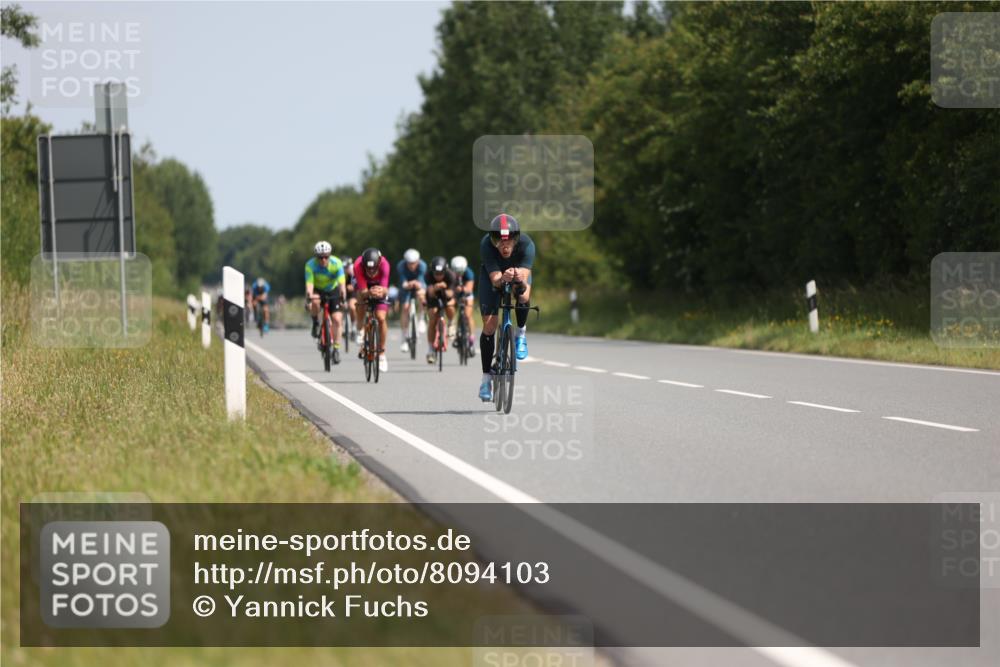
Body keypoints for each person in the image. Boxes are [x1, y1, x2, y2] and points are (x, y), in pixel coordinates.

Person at [477, 213, 535, 401]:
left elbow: (524, 282)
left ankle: (521, 333)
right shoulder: (486, 244)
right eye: (499, 241)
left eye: (509, 240)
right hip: (492, 277)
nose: (505, 245)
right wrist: (503, 278)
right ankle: (486, 378)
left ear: (516, 238)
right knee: (490, 326)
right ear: (493, 240)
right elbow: (495, 280)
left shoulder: (527, 245)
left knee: (524, 294)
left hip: (519, 275)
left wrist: (517, 277)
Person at [304, 241, 346, 364]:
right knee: (315, 302)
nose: (323, 260)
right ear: (316, 257)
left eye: (326, 257)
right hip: (318, 290)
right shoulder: (310, 265)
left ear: (330, 256)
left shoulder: (337, 263)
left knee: (337, 320)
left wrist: (343, 294)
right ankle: (316, 322)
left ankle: (336, 349)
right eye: (320, 257)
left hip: (332, 290)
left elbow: (341, 283)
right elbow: (310, 285)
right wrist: (309, 297)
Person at [354, 247, 390, 373]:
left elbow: (385, 288)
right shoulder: (358, 265)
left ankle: (381, 353)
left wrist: (381, 291)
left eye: (373, 269)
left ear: (378, 264)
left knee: (381, 318)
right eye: (368, 269)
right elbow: (363, 291)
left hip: (379, 287)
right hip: (364, 287)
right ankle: (360, 328)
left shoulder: (385, 265)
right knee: (360, 299)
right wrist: (368, 292)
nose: (370, 272)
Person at [424, 256, 458, 363]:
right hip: (432, 297)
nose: (438, 276)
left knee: (450, 306)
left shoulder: (450, 275)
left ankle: (451, 323)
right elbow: (430, 292)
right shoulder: (428, 275)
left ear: (445, 271)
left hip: (446, 295)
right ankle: (430, 349)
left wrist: (444, 288)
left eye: (441, 274)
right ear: (432, 271)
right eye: (436, 274)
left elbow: (451, 294)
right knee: (432, 318)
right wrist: (436, 287)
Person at [396, 248, 427, 353]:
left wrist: (418, 284)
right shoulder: (401, 266)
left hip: (418, 284)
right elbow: (402, 281)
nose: (411, 266)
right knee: (405, 308)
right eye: (409, 263)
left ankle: (422, 318)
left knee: (421, 295)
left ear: (418, 261)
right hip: (406, 287)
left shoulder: (423, 266)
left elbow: (422, 280)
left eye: (414, 263)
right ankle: (404, 338)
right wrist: (407, 284)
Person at [450, 255, 476, 357]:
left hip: (466, 294)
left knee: (467, 315)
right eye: (456, 271)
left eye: (461, 271)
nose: (458, 273)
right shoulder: (450, 273)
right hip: (455, 294)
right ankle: (453, 328)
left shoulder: (469, 273)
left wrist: (463, 290)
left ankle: (471, 338)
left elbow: (469, 288)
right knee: (451, 307)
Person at [342, 256, 359, 339]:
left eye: (346, 267)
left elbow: (358, 281)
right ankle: (342, 326)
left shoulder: (353, 270)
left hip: (352, 291)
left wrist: (353, 286)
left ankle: (353, 326)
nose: (345, 269)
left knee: (352, 307)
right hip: (341, 289)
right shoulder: (338, 271)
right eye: (343, 268)